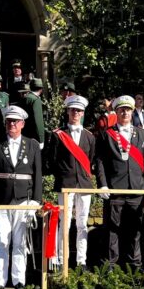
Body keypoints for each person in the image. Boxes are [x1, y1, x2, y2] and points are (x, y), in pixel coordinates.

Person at [0, 105, 42, 289]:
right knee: (2, 241)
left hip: (24, 200)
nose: (11, 124)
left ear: (22, 123)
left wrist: (36, 201)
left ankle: (19, 281)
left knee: (20, 242)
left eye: (15, 121)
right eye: (8, 121)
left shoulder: (32, 145)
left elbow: (38, 175)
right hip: (0, 200)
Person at [95, 95, 144, 270]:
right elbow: (100, 162)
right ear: (116, 112)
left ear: (132, 111)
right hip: (115, 188)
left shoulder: (141, 133)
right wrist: (102, 184)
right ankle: (110, 264)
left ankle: (134, 264)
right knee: (112, 230)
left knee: (135, 230)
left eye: (128, 109)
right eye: (121, 109)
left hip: (137, 189)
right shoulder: (107, 134)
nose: (125, 112)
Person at [44, 95, 95, 269]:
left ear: (83, 113)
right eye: (73, 110)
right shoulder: (58, 135)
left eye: (79, 110)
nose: (76, 113)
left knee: (82, 224)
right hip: (65, 184)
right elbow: (51, 160)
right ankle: (60, 259)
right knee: (64, 222)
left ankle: (81, 261)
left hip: (84, 184)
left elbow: (90, 159)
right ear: (67, 111)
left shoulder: (89, 136)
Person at [15, 79, 45, 148]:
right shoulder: (35, 100)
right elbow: (38, 121)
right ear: (41, 89)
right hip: (34, 137)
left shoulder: (25, 98)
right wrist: (41, 139)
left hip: (23, 133)